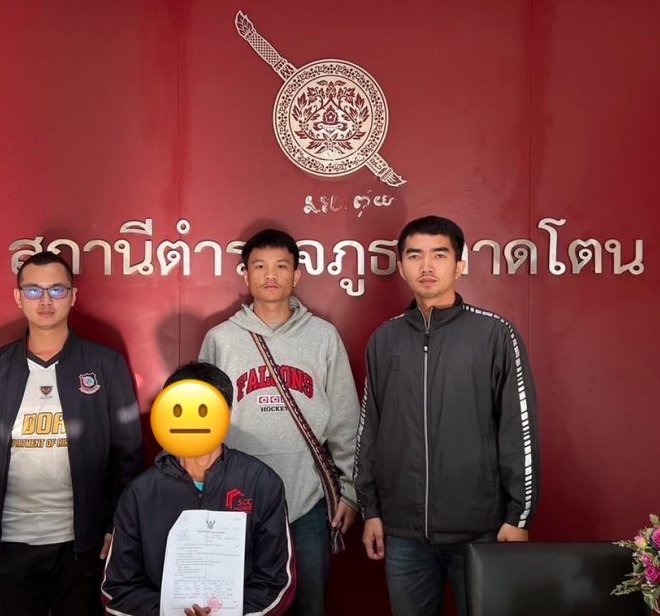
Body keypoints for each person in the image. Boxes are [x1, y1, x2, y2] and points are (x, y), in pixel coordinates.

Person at [353, 215, 541, 616]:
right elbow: (370, 429)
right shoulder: (384, 339)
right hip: (403, 534)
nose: (426, 266)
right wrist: (371, 510)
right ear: (401, 266)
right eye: (415, 255)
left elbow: (518, 429)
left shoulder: (494, 334)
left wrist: (519, 516)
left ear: (459, 265)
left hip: (481, 530)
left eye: (439, 255)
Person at [0, 250, 144, 616]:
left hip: (81, 545)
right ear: (18, 297)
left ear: (73, 296)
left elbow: (129, 455)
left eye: (57, 290)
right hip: (7, 544)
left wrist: (115, 525)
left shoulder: (105, 364)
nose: (45, 301)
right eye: (33, 291)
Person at [197, 228, 358, 616]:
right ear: (246, 275)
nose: (271, 275)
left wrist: (351, 492)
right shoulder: (220, 339)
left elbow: (345, 419)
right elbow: (201, 421)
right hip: (236, 501)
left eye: (281, 266)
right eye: (260, 266)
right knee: (239, 606)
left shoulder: (323, 337)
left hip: (308, 503)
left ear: (296, 275)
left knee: (309, 605)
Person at [102, 362, 294, 616]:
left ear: (227, 414)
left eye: (204, 410)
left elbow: (276, 582)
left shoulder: (262, 483)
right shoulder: (140, 493)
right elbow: (118, 589)